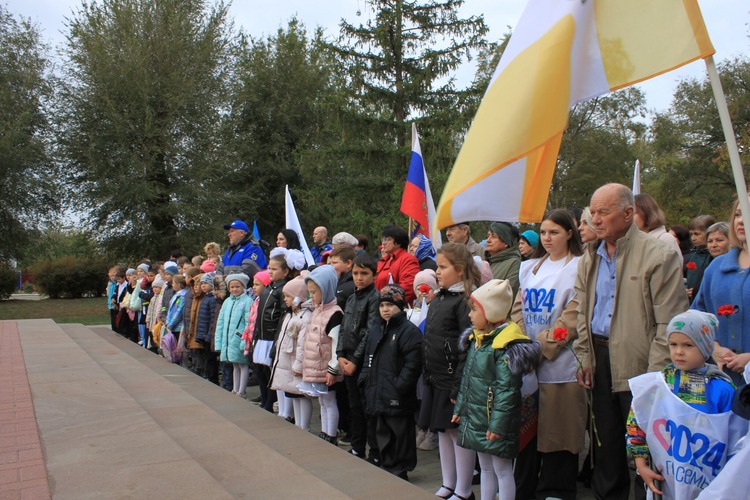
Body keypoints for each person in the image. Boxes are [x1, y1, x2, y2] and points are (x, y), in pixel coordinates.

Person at [573, 183, 688, 500]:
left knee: (646, 447)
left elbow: (669, 323)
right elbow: (583, 311)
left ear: (627, 214)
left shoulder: (658, 254)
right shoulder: (590, 257)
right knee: (605, 445)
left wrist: (654, 376)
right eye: (592, 212)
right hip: (598, 358)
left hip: (641, 364)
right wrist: (584, 357)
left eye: (603, 212)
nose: (595, 219)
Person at [626, 310, 742, 499]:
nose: (679, 351)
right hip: (665, 481)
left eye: (688, 345)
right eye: (673, 344)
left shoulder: (722, 388)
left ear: (705, 347)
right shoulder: (660, 384)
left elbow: (736, 439)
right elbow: (636, 423)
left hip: (709, 482)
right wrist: (641, 464)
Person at [511, 209, 585, 500]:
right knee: (528, 433)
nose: (547, 238)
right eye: (543, 232)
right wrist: (520, 342)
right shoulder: (529, 267)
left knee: (560, 431)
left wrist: (539, 349)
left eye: (554, 232)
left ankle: (557, 488)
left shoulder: (579, 266)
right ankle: (526, 486)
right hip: (528, 363)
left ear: (569, 233)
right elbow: (518, 307)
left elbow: (573, 315)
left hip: (560, 364)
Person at [453, 279, 540, 500]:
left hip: (495, 421)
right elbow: (468, 379)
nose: (470, 316)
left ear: (491, 312)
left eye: (474, 310)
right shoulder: (477, 339)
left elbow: (507, 391)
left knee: (502, 470)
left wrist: (498, 424)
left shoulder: (505, 347)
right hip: (478, 417)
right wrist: (461, 407)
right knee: (486, 468)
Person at [419, 243, 481, 500]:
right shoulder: (441, 297)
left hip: (453, 379)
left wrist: (458, 384)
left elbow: (466, 345)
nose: (437, 272)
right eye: (437, 267)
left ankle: (464, 490)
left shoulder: (465, 302)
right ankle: (448, 482)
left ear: (460, 269)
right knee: (442, 431)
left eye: (443, 267)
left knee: (458, 434)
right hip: (436, 377)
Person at [359, 284, 423, 481]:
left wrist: (399, 385)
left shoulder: (408, 331)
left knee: (400, 433)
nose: (385, 309)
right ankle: (387, 464)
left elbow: (413, 365)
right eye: (382, 305)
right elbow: (368, 357)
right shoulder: (377, 329)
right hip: (378, 390)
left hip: (397, 394)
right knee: (383, 432)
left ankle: (401, 468)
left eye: (390, 305)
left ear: (400, 305)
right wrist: (364, 379)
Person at [692, 197, 750, 385]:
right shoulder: (716, 267)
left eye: (747, 214)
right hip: (723, 381)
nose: (740, 220)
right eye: (737, 214)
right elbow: (697, 316)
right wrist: (712, 347)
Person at [337, 253, 381, 462]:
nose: (359, 277)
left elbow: (369, 331)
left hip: (363, 362)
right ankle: (357, 446)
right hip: (347, 358)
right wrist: (339, 355)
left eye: (364, 273)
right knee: (354, 406)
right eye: (355, 273)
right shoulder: (352, 297)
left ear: (374, 274)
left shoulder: (375, 298)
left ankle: (374, 451)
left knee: (367, 407)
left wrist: (355, 360)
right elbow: (344, 329)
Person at [253, 248, 303, 411]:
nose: (270, 271)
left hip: (272, 337)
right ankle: (266, 399)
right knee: (262, 371)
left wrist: (276, 339)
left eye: (274, 269)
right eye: (269, 268)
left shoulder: (283, 289)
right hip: (262, 336)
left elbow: (283, 315)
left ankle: (273, 403)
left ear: (285, 271)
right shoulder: (268, 288)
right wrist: (256, 334)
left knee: (273, 372)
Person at [301, 265, 344, 444]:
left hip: (326, 368)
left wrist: (333, 369)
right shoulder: (317, 310)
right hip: (316, 366)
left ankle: (331, 434)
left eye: (314, 292)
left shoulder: (334, 314)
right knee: (322, 402)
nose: (311, 296)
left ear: (326, 290)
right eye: (310, 292)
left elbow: (336, 346)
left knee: (329, 400)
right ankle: (325, 432)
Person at [270, 276, 313, 427]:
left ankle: (304, 426)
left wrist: (298, 365)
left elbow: (302, 345)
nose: (285, 299)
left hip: (296, 363)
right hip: (289, 361)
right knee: (293, 394)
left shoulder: (305, 316)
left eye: (288, 296)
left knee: (302, 395)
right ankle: (298, 424)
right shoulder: (291, 315)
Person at [215, 273, 253, 398]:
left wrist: (245, 341)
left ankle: (242, 390)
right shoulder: (227, 301)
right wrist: (219, 341)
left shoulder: (247, 301)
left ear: (243, 287)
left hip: (239, 338)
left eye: (237, 286)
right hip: (229, 339)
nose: (235, 289)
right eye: (232, 287)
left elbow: (249, 322)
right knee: (234, 364)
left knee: (242, 364)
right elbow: (220, 322)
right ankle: (235, 389)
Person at [375, 224, 420, 305]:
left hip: (393, 308)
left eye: (387, 239)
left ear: (398, 242)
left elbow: (408, 287)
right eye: (383, 239)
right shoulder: (383, 261)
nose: (383, 243)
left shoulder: (408, 259)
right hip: (377, 306)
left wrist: (385, 300)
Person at [634, 193, 684, 266]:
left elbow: (674, 272)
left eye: (635, 213)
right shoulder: (631, 240)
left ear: (647, 213)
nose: (629, 218)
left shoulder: (666, 239)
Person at [484, 222, 521, 297]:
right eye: (488, 236)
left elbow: (507, 294)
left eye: (494, 236)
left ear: (506, 243)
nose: (488, 240)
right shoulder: (486, 260)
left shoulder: (514, 263)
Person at [684, 215, 716, 301]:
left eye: (697, 234)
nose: (693, 238)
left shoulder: (715, 256)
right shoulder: (693, 253)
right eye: (691, 234)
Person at [194, 273, 219, 381]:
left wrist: (209, 335)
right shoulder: (206, 297)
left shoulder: (212, 299)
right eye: (202, 284)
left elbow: (213, 319)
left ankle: (212, 378)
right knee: (205, 357)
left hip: (208, 335)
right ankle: (207, 375)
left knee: (210, 358)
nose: (203, 286)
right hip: (203, 334)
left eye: (205, 283)